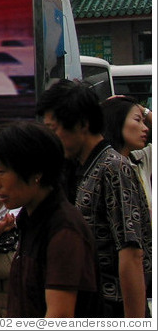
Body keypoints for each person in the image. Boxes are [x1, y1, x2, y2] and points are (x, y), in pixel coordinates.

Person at [38, 79, 151, 317]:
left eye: (54, 129)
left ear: (82, 124)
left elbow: (131, 253)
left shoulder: (114, 168)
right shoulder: (78, 168)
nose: (52, 138)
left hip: (113, 307)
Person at [0, 120, 100, 317]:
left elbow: (59, 316)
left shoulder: (64, 230)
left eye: (1, 172)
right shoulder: (28, 219)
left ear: (36, 172)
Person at [102, 96, 152, 211]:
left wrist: (143, 110)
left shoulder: (140, 161)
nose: (145, 128)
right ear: (117, 121)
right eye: (137, 120)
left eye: (144, 122)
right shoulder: (102, 165)